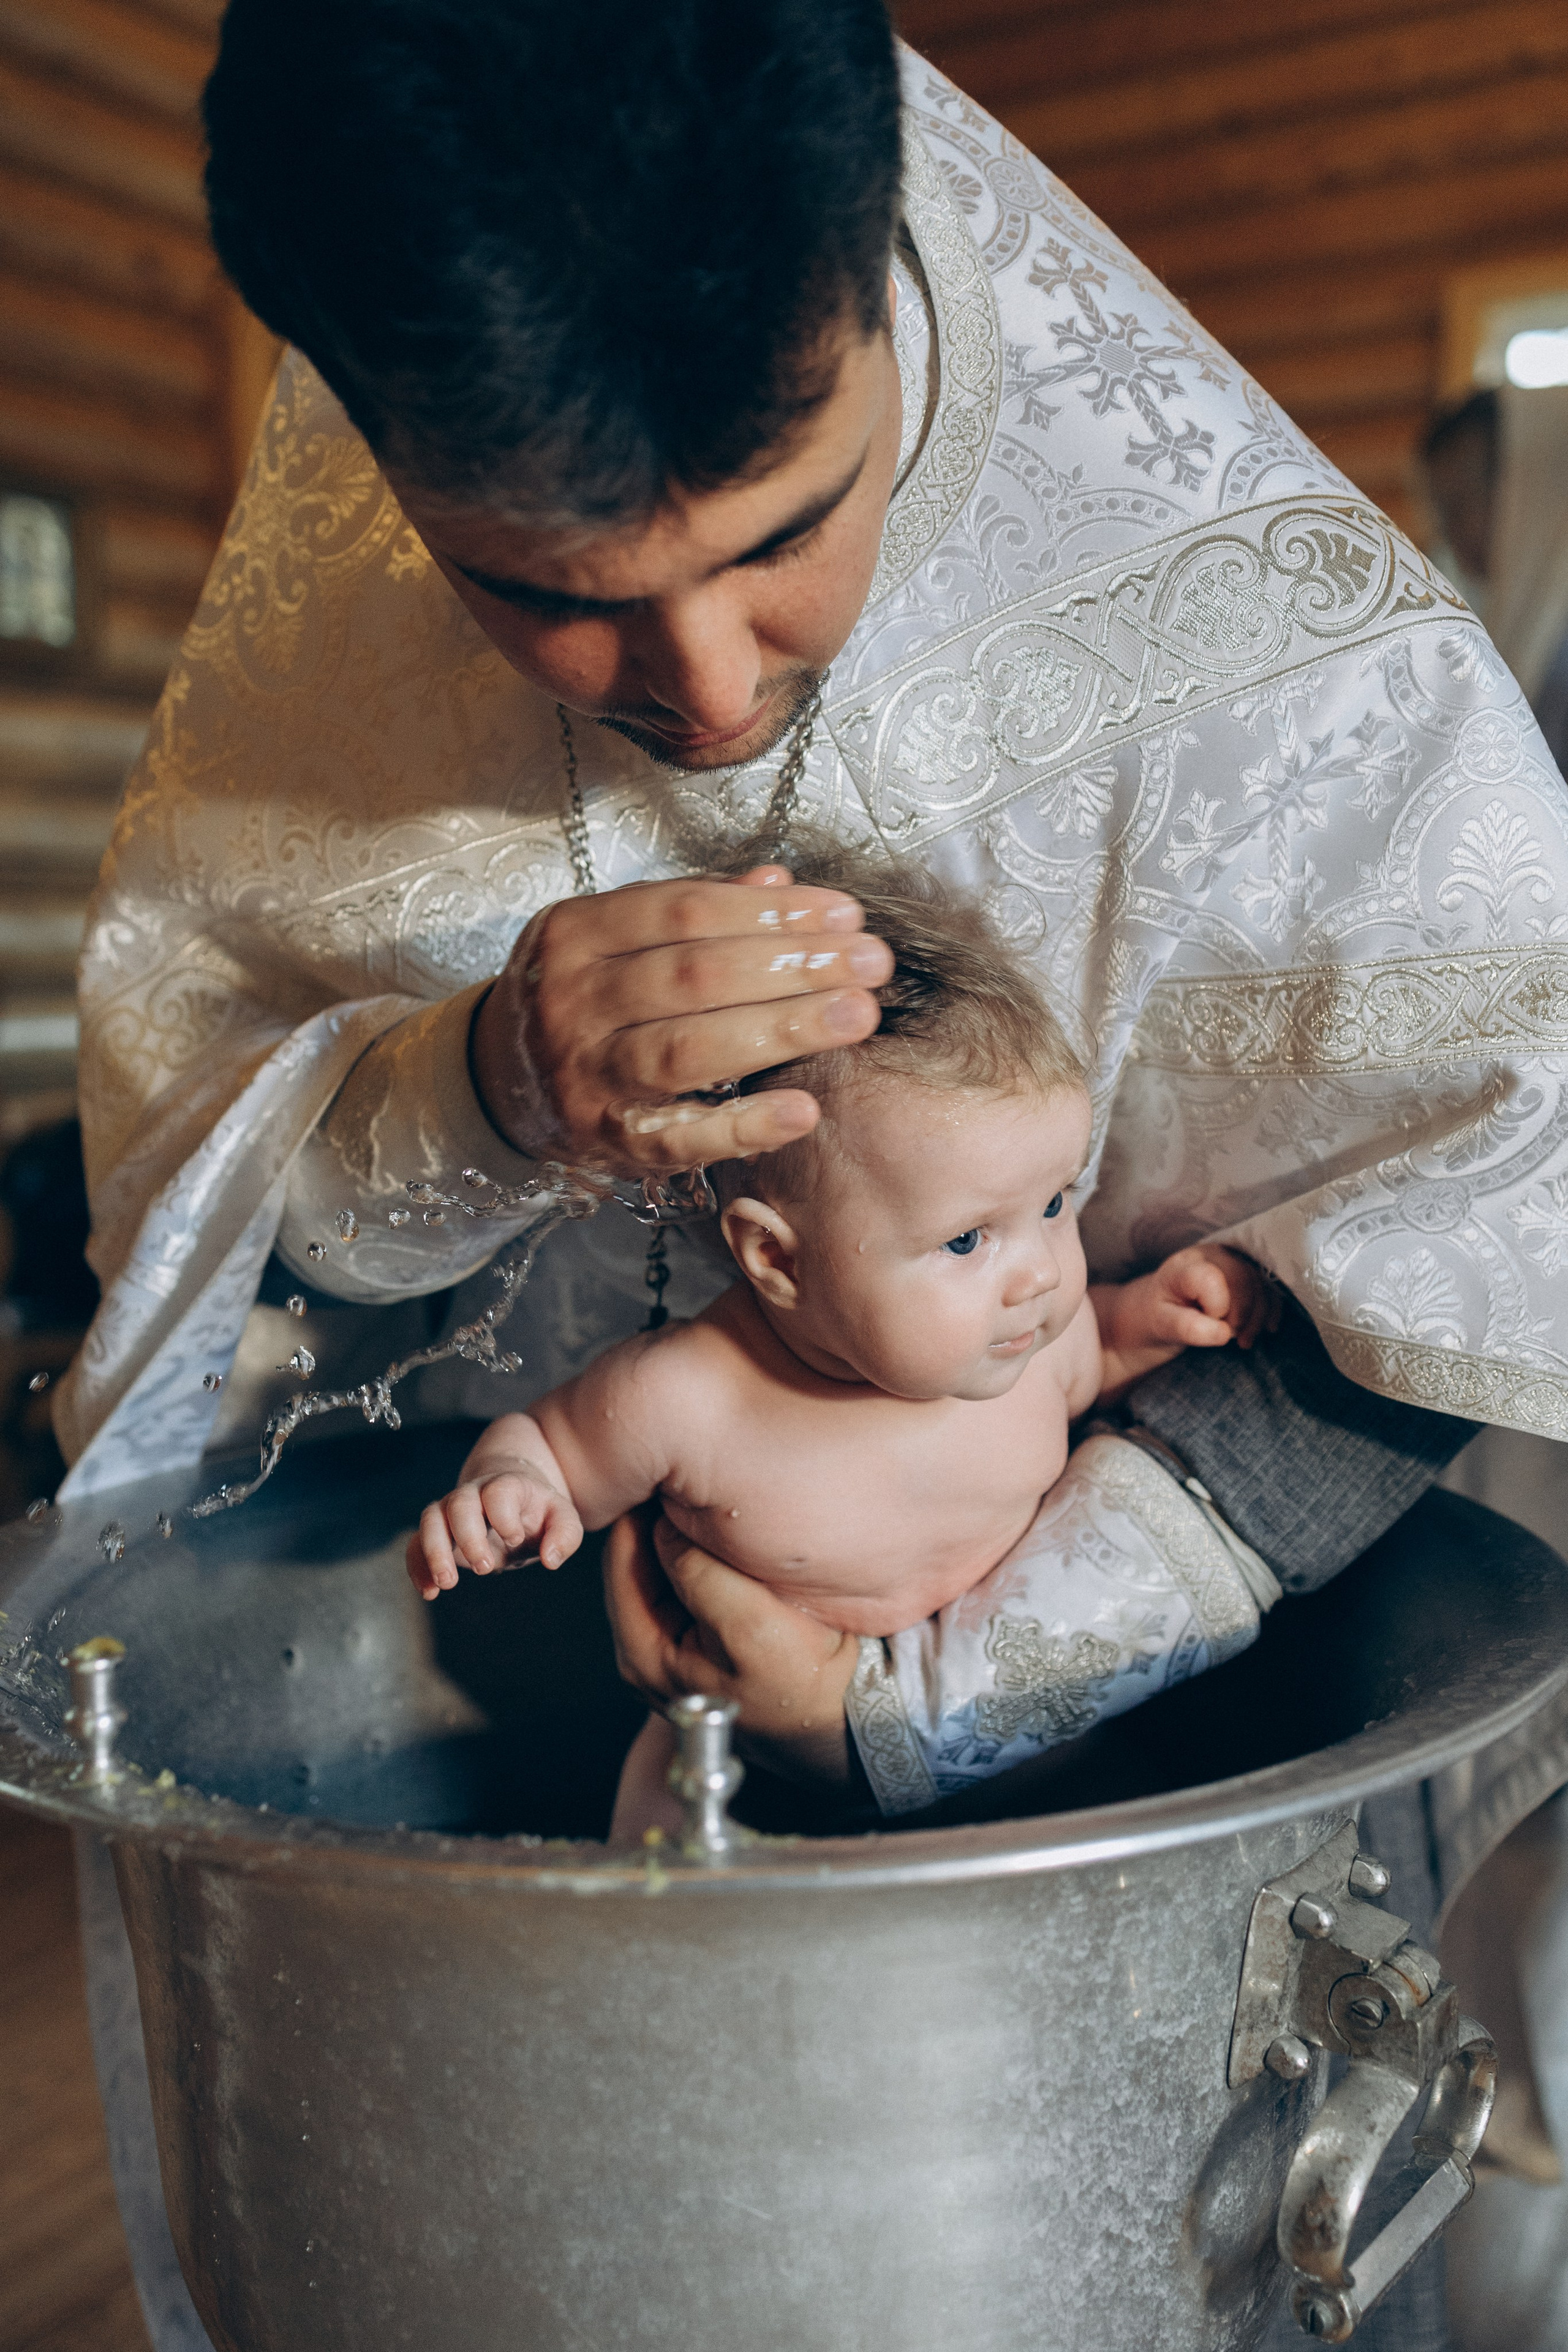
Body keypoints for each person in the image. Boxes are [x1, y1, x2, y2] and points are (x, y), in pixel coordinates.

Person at [48, 4, 1568, 2346]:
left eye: (788, 532)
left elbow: (1478, 1186)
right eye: (546, 593)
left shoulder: (1259, 659)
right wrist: (470, 1091)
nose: (712, 689)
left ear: (873, 278)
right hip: (543, 1861)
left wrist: (930, 1697)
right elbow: (199, 1203)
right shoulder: (339, 628)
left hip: (1156, 1847)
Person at [405, 854, 1280, 1834]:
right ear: (777, 1262)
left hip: (1033, 1775)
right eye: (965, 1240)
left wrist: (1156, 1315)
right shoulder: (688, 1398)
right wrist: (508, 1497)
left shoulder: (1032, 1344)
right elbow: (552, 1448)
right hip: (749, 1797)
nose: (1041, 1273)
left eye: (1053, 1203)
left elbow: (1102, 1355)